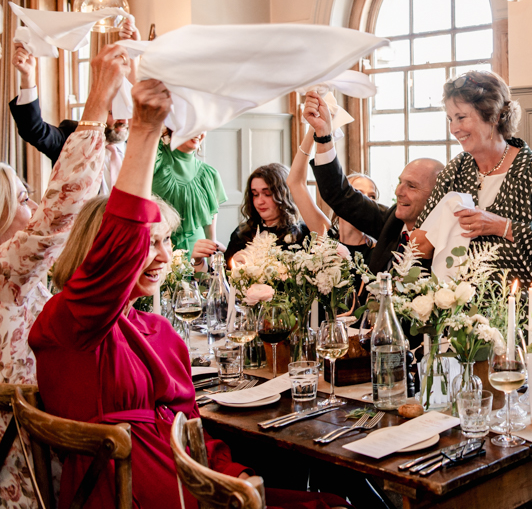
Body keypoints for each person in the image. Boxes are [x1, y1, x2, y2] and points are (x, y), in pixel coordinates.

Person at [28, 79, 350, 509]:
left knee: (331, 501)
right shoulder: (71, 318)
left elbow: (190, 427)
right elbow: (121, 244)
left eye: (167, 240)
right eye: (152, 241)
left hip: (188, 474)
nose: (165, 255)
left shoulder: (159, 330)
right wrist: (143, 130)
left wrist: (236, 476)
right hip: (126, 487)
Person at [0, 44, 129, 509]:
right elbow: (62, 210)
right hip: (26, 447)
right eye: (23, 198)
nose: (33, 206)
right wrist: (96, 100)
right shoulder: (7, 267)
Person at [414, 70, 532, 342]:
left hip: (527, 320)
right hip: (464, 322)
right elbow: (421, 241)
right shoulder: (455, 171)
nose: (454, 128)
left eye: (461, 117)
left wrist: (503, 226)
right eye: (450, 119)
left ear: (492, 116)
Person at [303, 92, 442, 277]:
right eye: (400, 182)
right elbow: (338, 193)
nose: (399, 191)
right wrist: (323, 134)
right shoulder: (392, 222)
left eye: (412, 186)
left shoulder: (444, 235)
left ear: (435, 196)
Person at [8, 19, 140, 193]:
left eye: (126, 112)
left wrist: (134, 51)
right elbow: (34, 130)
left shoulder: (137, 143)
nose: (123, 119)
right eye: (113, 112)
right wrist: (28, 76)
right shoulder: (73, 139)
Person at [289, 129, 378, 305]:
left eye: (372, 196)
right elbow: (295, 182)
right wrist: (312, 131)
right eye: (358, 193)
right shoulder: (325, 233)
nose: (366, 200)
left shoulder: (377, 249)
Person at [152, 130, 226, 260]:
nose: (199, 132)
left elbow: (211, 237)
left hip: (198, 261)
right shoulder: (155, 160)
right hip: (159, 254)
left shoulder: (209, 175)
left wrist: (212, 268)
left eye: (203, 126)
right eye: (193, 123)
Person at [223, 163, 309, 266]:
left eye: (267, 194)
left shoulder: (303, 235)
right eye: (255, 194)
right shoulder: (241, 233)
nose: (259, 202)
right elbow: (221, 276)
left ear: (284, 196)